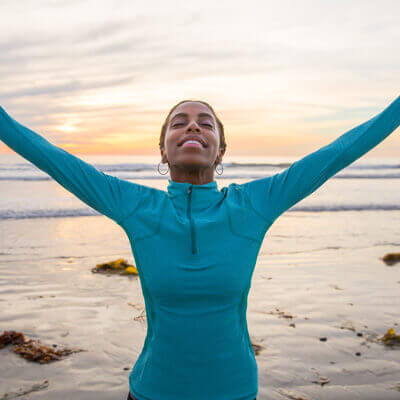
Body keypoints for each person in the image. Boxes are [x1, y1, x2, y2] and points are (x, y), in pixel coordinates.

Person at [0, 96, 399, 400]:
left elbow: (338, 153)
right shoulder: (136, 206)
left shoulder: (254, 204)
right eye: (180, 123)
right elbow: (50, 157)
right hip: (152, 390)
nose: (193, 128)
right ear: (163, 150)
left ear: (220, 150)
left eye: (205, 123)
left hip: (235, 389)